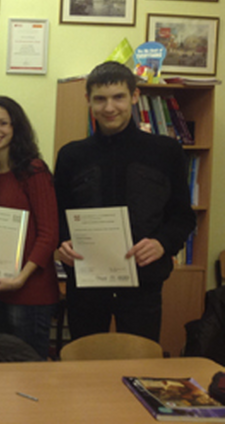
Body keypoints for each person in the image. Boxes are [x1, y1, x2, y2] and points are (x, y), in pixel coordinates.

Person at [55, 62, 197, 341]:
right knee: (84, 359)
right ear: (88, 100)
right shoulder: (71, 155)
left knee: (139, 359)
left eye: (118, 97)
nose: (109, 108)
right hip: (86, 282)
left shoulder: (165, 151)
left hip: (143, 283)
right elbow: (58, 214)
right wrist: (63, 243)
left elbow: (183, 216)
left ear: (134, 96)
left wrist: (162, 243)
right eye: (100, 99)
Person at [0, 96, 59, 360]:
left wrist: (21, 278)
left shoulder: (34, 170)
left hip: (31, 291)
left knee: (28, 369)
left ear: (15, 126)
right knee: (6, 369)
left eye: (2, 123)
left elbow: (49, 235)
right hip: (0, 289)